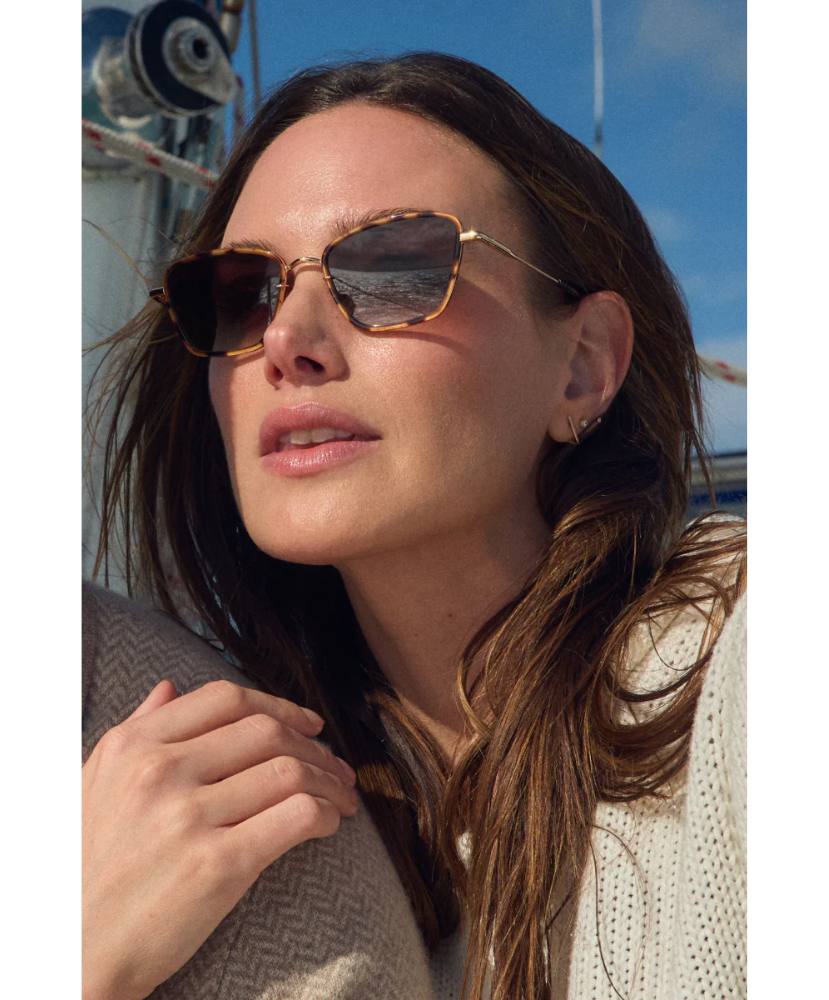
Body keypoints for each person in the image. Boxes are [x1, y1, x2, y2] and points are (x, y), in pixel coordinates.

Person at [82, 52, 748, 1000]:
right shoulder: (190, 796)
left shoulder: (727, 676)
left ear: (583, 367)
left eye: (391, 268)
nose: (285, 342)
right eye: (240, 292)